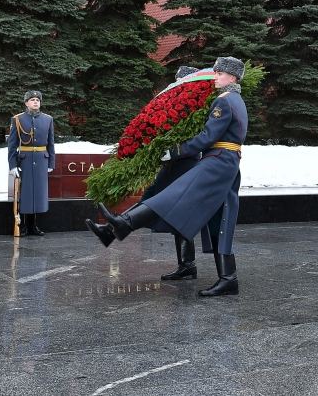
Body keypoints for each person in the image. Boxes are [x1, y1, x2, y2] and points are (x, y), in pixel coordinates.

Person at [86, 56, 247, 298]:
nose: (214, 76)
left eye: (219, 73)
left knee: (173, 196)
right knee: (220, 220)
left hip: (218, 161)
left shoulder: (224, 102)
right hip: (227, 162)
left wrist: (176, 150)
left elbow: (207, 137)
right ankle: (228, 278)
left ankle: (121, 226)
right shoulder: (237, 100)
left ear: (232, 77)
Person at [86, 66, 202, 280]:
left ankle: (113, 230)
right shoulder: (178, 103)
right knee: (154, 200)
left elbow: (197, 137)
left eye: (179, 81)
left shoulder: (195, 105)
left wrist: (174, 151)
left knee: (165, 206)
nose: (175, 85)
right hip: (173, 163)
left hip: (186, 163)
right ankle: (186, 265)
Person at [8, 91, 55, 236]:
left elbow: (51, 143)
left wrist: (51, 162)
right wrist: (13, 165)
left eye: (38, 100)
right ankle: (22, 226)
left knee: (38, 194)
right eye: (32, 100)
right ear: (26, 103)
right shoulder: (18, 119)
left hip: (41, 160)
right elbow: (12, 144)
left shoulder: (48, 119)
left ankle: (33, 226)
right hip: (25, 160)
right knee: (25, 194)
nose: (35, 102)